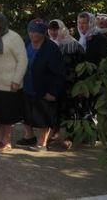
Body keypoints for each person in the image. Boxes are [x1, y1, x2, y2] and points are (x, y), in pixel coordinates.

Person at [0, 12, 27, 153]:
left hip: (9, 84)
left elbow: (23, 60)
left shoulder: (14, 38)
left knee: (7, 115)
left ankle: (6, 142)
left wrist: (16, 80)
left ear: (2, 24)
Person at [22, 19, 65, 152]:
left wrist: (53, 92)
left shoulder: (51, 48)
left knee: (44, 115)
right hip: (27, 84)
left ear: (42, 33)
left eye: (35, 31)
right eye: (30, 31)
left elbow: (59, 73)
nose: (32, 34)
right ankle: (29, 136)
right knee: (26, 112)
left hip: (44, 87)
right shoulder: (26, 42)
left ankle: (42, 143)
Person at [47, 19, 85, 150]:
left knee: (71, 109)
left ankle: (70, 136)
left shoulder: (74, 45)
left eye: (56, 29)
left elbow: (81, 68)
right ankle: (54, 132)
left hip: (71, 84)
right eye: (51, 29)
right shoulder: (49, 45)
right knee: (55, 108)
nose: (53, 32)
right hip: (54, 83)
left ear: (62, 29)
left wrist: (81, 86)